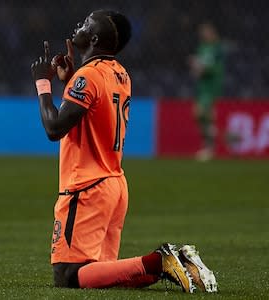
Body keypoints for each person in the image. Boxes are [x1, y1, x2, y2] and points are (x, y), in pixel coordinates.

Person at [30, 10, 217, 292]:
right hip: (113, 184)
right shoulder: (119, 74)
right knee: (103, 277)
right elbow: (91, 114)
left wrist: (42, 83)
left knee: (67, 275)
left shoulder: (89, 76)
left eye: (86, 23)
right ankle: (173, 263)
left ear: (93, 38)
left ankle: (159, 261)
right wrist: (71, 80)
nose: (78, 25)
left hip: (87, 186)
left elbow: (54, 128)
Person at [189, 23, 224, 161]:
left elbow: (216, 67)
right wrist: (195, 66)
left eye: (207, 32)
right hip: (202, 85)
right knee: (200, 115)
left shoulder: (217, 48)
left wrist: (202, 67)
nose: (204, 35)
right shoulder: (201, 47)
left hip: (211, 85)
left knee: (201, 113)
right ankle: (210, 142)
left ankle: (209, 146)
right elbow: (198, 69)